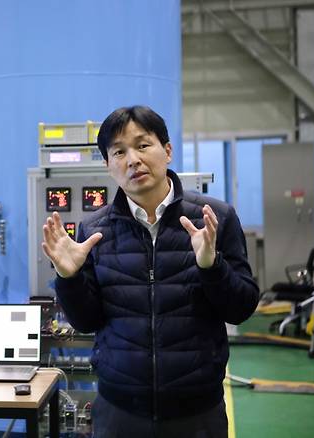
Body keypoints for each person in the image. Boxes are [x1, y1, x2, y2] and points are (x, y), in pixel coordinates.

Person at [41, 106, 259, 437]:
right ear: (107, 165)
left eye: (143, 145)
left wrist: (211, 267)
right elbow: (87, 321)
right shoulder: (94, 230)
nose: (133, 159)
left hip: (197, 412)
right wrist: (68, 279)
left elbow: (242, 308)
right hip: (119, 412)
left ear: (167, 150)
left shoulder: (214, 218)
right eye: (119, 151)